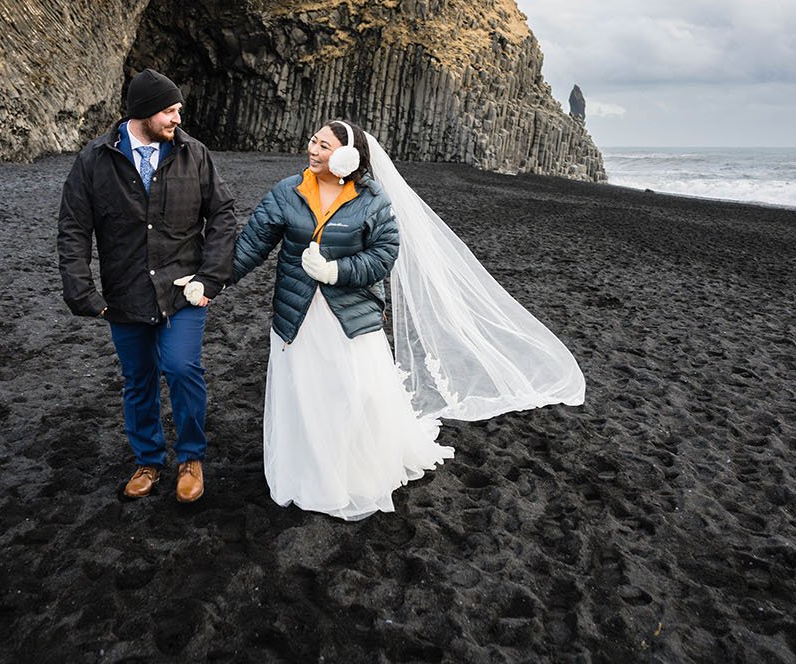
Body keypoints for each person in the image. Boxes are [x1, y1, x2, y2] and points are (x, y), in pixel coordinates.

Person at [232, 120, 585, 520]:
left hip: (351, 318)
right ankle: (311, 472)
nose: (312, 150)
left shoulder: (372, 200)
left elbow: (384, 255)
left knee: (351, 392)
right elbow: (250, 245)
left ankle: (353, 473)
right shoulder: (288, 192)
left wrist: (335, 271)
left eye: (324, 145)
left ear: (348, 156)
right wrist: (213, 281)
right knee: (306, 392)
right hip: (297, 315)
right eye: (312, 141)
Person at [57, 68, 238, 503]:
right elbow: (74, 228)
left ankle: (191, 459)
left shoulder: (194, 154)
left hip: (184, 290)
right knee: (138, 379)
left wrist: (211, 277)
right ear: (141, 113)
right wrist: (81, 292)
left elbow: (224, 215)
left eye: (178, 109)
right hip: (125, 292)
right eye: (169, 110)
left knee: (181, 369)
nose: (177, 118)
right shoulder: (95, 160)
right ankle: (148, 461)